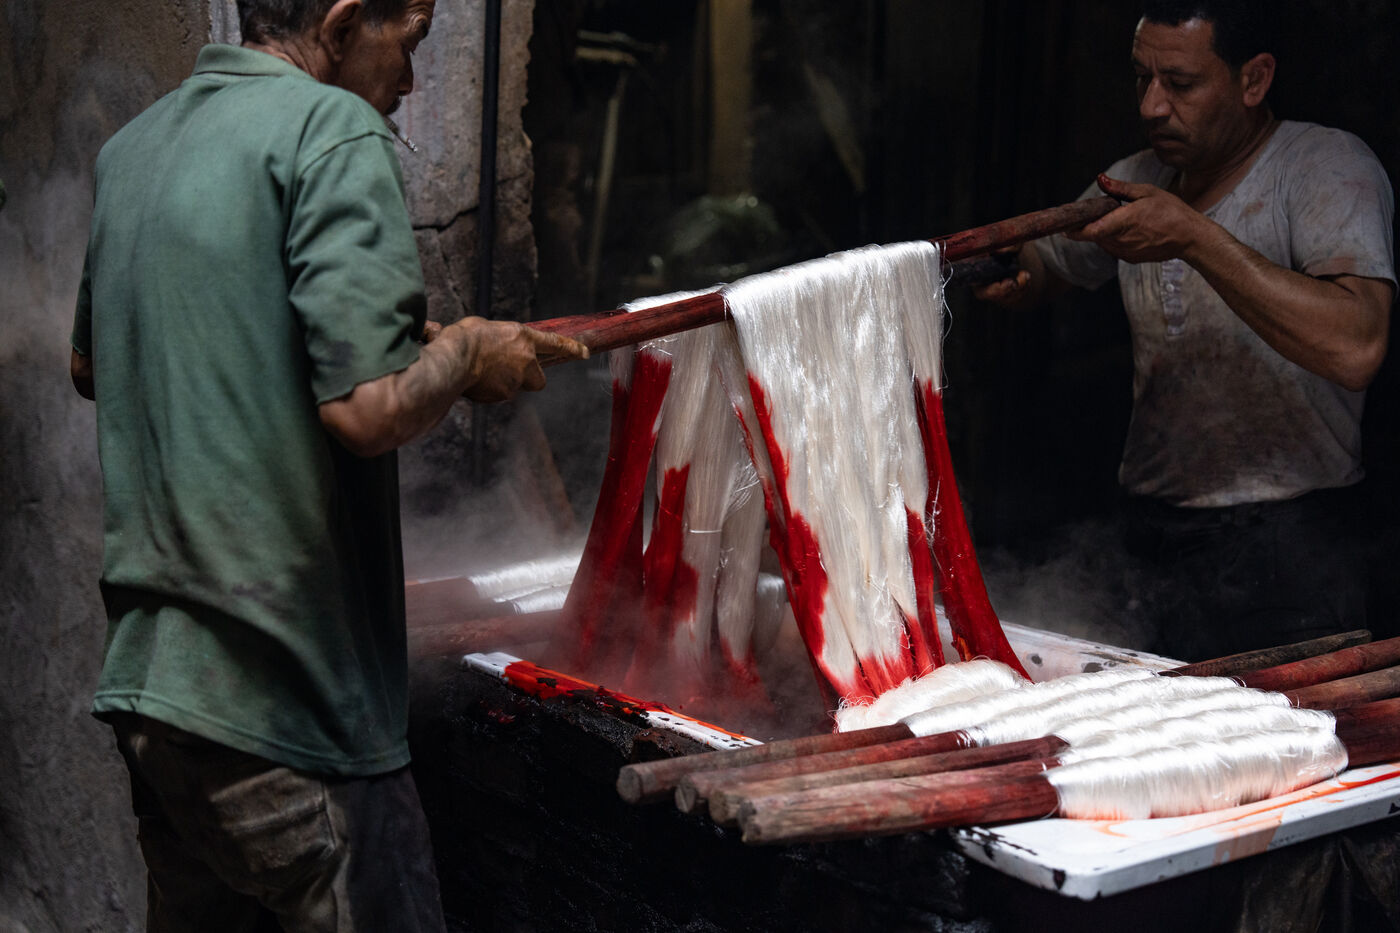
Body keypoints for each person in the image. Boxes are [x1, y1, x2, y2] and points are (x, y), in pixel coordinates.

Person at [69, 0, 587, 928]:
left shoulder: (133, 149)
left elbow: (94, 362)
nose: (411, 80)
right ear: (343, 25)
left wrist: (387, 345)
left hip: (154, 698)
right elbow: (368, 410)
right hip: (288, 712)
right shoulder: (332, 129)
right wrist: (465, 351)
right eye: (410, 41)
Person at [977, 0, 1395, 662]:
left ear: (1254, 80)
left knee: (1285, 728)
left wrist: (1193, 237)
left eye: (1180, 83)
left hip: (1290, 544)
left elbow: (1357, 346)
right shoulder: (1134, 179)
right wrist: (1010, 269)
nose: (1151, 106)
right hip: (1150, 533)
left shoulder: (1324, 167)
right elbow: (1046, 264)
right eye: (1142, 78)